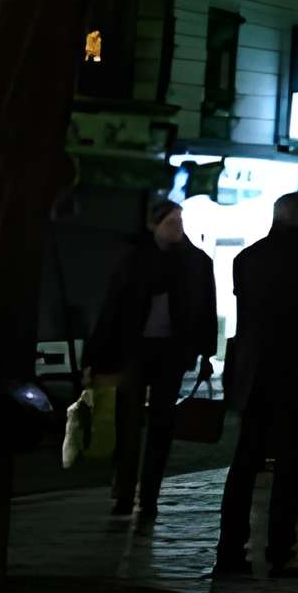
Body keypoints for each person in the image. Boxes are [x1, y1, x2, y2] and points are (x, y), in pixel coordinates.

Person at [214, 192, 298, 579]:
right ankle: (279, 551)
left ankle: (230, 552)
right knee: (291, 468)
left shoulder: (248, 259)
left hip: (256, 376)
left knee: (245, 465)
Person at [88, 196, 218, 528]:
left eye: (180, 222)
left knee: (161, 426)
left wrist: (205, 354)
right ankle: (124, 491)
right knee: (128, 423)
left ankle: (149, 497)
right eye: (171, 223)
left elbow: (205, 310)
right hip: (134, 349)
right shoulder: (134, 260)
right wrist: (97, 356)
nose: (177, 229)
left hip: (171, 352)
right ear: (154, 226)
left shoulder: (195, 262)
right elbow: (113, 309)